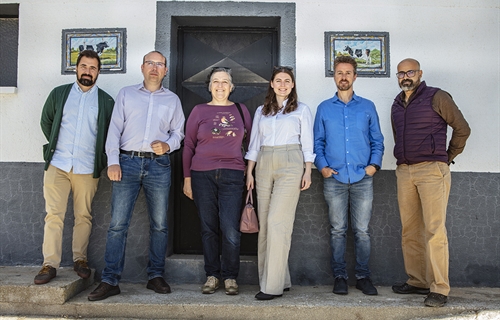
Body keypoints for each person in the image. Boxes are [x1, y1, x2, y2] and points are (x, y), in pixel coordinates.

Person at [88, 51, 185, 301]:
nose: (154, 68)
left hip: (159, 166)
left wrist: (168, 146)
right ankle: (110, 280)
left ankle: (155, 276)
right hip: (127, 163)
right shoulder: (126, 94)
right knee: (118, 225)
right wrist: (112, 161)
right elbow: (114, 129)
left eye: (160, 64)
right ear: (142, 67)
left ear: (166, 70)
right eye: (150, 63)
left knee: (160, 224)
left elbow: (179, 133)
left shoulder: (172, 100)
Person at [391, 58, 470, 307]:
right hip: (405, 171)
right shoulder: (396, 102)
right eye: (401, 73)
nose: (406, 77)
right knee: (410, 230)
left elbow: (462, 128)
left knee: (435, 231)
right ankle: (417, 280)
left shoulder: (437, 96)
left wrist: (447, 157)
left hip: (432, 171)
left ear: (420, 73)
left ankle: (439, 288)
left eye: (410, 72)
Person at [36, 50, 114, 285]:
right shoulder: (60, 94)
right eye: (83, 66)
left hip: (87, 167)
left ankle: (80, 260)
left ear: (98, 72)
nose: (87, 71)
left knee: (83, 216)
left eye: (92, 68)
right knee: (53, 216)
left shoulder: (106, 101)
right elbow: (46, 120)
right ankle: (49, 264)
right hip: (58, 164)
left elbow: (111, 132)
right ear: (76, 68)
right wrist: (56, 146)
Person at [314, 55, 384, 296]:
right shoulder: (324, 108)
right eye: (339, 73)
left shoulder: (367, 106)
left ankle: (363, 277)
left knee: (362, 231)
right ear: (334, 77)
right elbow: (318, 142)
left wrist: (374, 165)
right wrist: (322, 166)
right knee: (338, 230)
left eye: (347, 73)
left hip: (363, 178)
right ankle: (340, 276)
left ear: (355, 76)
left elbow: (378, 140)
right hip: (334, 179)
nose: (343, 77)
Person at [245, 66, 315, 300]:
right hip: (264, 162)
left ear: (293, 85)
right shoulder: (261, 111)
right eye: (278, 80)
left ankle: (271, 287)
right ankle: (279, 279)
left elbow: (307, 143)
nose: (283, 84)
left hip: (290, 162)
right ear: (272, 84)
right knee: (265, 225)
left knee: (278, 222)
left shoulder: (302, 110)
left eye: (287, 81)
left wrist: (307, 171)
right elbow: (254, 143)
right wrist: (250, 172)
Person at [182, 67, 252, 295]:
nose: (220, 85)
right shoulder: (199, 111)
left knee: (230, 228)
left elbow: (252, 144)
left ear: (231, 87)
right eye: (215, 81)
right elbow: (189, 145)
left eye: (225, 82)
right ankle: (212, 275)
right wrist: (187, 178)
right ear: (209, 86)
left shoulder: (241, 111)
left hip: (233, 174)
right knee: (208, 228)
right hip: (202, 174)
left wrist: (250, 172)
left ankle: (230, 276)